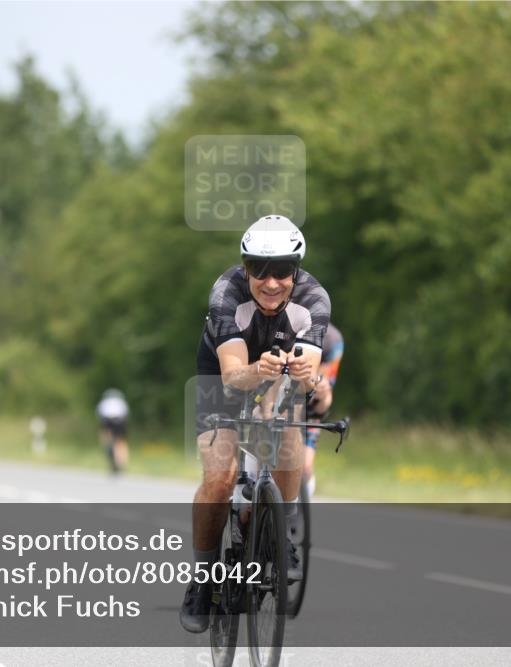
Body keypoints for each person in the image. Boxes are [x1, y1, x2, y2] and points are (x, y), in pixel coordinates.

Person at [180, 215, 330, 633]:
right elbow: (232, 376)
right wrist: (259, 369)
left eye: (282, 270)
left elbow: (309, 379)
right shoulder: (225, 294)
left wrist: (303, 377)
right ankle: (204, 578)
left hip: (277, 373)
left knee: (288, 425)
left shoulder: (315, 300)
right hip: (222, 377)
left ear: (295, 270)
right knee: (220, 476)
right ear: (245, 267)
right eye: (259, 269)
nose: (270, 281)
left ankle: (277, 531)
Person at [303, 323, 344, 497]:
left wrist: (321, 386)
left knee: (304, 468)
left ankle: (299, 511)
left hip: (309, 405)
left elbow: (325, 395)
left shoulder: (333, 340)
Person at [96, 389, 130, 473]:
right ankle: (121, 461)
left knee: (105, 437)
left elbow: (99, 415)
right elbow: (126, 414)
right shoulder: (121, 402)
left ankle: (108, 448)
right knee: (120, 442)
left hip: (107, 421)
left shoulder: (104, 402)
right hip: (120, 422)